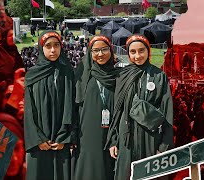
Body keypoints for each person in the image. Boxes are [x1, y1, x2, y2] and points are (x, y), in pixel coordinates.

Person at [105, 34, 173, 180]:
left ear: (148, 51)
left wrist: (164, 145)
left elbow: (167, 111)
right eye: (133, 52)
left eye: (141, 51)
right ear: (128, 53)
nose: (137, 56)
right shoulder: (122, 75)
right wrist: (113, 140)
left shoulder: (159, 76)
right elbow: (117, 110)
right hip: (126, 137)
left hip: (150, 137)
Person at [24, 30, 75, 180]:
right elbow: (29, 109)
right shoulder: (32, 74)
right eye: (48, 46)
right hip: (40, 140)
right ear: (41, 48)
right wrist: (38, 138)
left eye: (56, 45)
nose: (53, 50)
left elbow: (72, 106)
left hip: (61, 138)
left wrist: (64, 138)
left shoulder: (67, 72)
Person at [73, 35, 116, 180]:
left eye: (104, 49)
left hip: (112, 130)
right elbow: (74, 106)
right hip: (87, 132)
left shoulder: (118, 76)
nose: (100, 54)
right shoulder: (82, 74)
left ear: (111, 50)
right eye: (95, 50)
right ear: (90, 53)